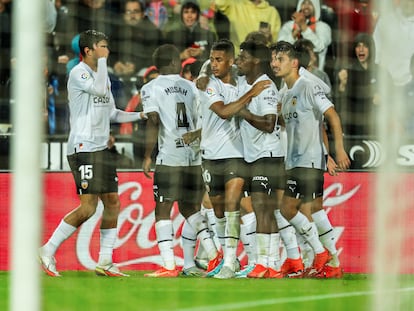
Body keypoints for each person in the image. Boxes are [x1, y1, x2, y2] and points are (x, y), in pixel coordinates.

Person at [38, 30, 146, 277]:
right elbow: (98, 92)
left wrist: (141, 115)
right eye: (102, 46)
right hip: (83, 147)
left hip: (101, 148)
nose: (106, 50)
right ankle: (48, 249)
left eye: (107, 46)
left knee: (113, 202)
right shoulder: (78, 73)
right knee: (87, 208)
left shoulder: (101, 76)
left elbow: (112, 113)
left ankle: (105, 261)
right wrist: (104, 62)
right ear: (88, 50)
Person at [270, 41, 350, 278]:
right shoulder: (285, 93)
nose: (274, 63)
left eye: (280, 59)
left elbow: (331, 117)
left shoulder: (308, 86)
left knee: (287, 208)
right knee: (314, 209)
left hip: (309, 160)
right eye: (273, 59)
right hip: (295, 160)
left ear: (294, 63)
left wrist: (338, 151)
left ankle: (319, 253)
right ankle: (332, 263)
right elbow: (292, 122)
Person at [141, 44, 222, 277]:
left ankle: (168, 265)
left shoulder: (150, 88)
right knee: (190, 208)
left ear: (157, 65)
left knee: (163, 210)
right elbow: (206, 118)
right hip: (194, 158)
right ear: (176, 62)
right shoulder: (192, 87)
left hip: (169, 158)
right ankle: (214, 253)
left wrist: (148, 155)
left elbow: (153, 120)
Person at [193, 39, 271, 279]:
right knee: (217, 210)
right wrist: (250, 95)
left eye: (219, 60)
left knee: (232, 206)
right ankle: (231, 259)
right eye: (212, 60)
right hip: (210, 155)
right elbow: (224, 113)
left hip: (236, 154)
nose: (214, 64)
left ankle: (229, 262)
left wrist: (252, 93)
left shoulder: (243, 83)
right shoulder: (210, 86)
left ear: (230, 61)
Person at [234, 40, 285, 278]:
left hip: (268, 153)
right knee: (263, 208)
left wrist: (242, 111)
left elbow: (269, 123)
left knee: (263, 208)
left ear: (255, 61)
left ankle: (269, 264)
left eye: (243, 57)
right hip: (255, 155)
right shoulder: (248, 84)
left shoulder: (265, 87)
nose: (238, 61)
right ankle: (269, 263)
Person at [334, 32, 378, 136]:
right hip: (354, 127)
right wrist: (342, 85)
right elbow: (339, 102)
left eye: (364, 46)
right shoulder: (347, 72)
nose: (361, 50)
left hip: (375, 126)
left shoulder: (379, 72)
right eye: (358, 46)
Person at [277, 0, 332, 71]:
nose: (306, 6)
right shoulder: (288, 26)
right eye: (303, 3)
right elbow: (280, 48)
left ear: (316, 7)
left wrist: (304, 28)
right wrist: (294, 34)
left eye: (310, 3)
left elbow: (319, 47)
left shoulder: (323, 27)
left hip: (315, 76)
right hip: (290, 75)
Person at [215, 0, 282, 53]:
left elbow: (276, 41)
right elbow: (219, 3)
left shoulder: (272, 12)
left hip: (262, 60)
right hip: (238, 57)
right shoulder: (235, 5)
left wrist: (269, 37)